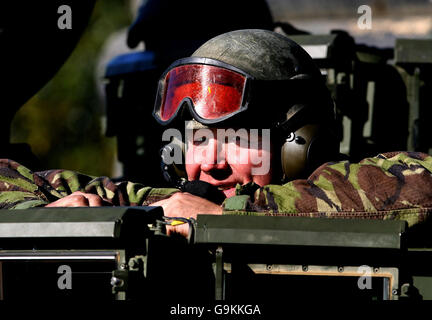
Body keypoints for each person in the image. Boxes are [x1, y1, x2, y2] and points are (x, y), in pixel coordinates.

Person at [1, 29, 432, 239]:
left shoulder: (347, 195)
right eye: (199, 139)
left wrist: (228, 220)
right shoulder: (169, 207)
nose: (210, 162)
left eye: (236, 137)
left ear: (295, 144)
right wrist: (56, 213)